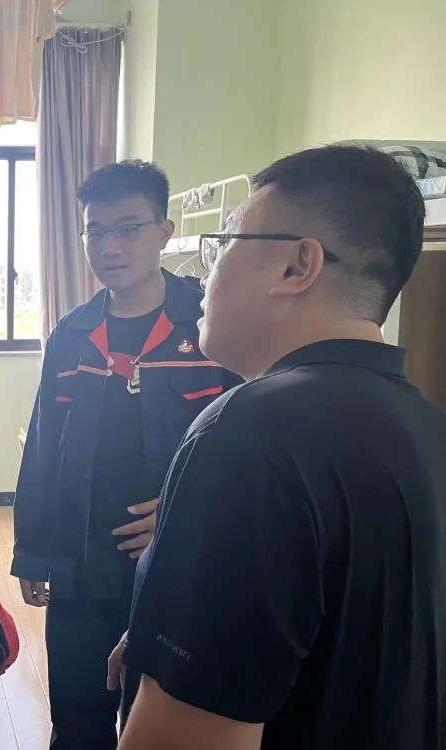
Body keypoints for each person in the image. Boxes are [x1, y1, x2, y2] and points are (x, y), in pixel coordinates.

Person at [111, 145, 446, 750]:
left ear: (297, 266)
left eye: (224, 244)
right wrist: (164, 639)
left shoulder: (248, 433)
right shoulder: (426, 426)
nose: (203, 274)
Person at [11, 161, 240, 749]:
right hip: (82, 562)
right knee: (78, 715)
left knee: (164, 718)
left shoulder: (211, 328)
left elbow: (248, 450)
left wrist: (183, 513)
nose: (109, 247)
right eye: (96, 231)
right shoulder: (73, 334)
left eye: (128, 228)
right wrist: (32, 550)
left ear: (163, 231)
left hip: (180, 566)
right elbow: (44, 446)